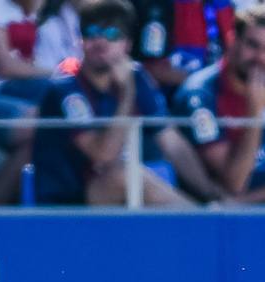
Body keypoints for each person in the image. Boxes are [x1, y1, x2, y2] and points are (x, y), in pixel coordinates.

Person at [33, 0, 204, 204]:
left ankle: (207, 210)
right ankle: (201, 220)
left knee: (135, 174)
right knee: (124, 176)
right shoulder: (65, 88)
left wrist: (211, 191)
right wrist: (127, 94)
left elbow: (172, 142)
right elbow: (103, 155)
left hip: (109, 196)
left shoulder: (137, 76)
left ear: (128, 44)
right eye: (91, 32)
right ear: (80, 40)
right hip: (66, 202)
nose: (100, 42)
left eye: (112, 34)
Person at [173, 4, 265, 202]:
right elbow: (233, 184)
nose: (261, 57)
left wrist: (244, 202)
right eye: (253, 45)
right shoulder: (200, 94)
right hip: (215, 214)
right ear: (232, 40)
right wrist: (255, 114)